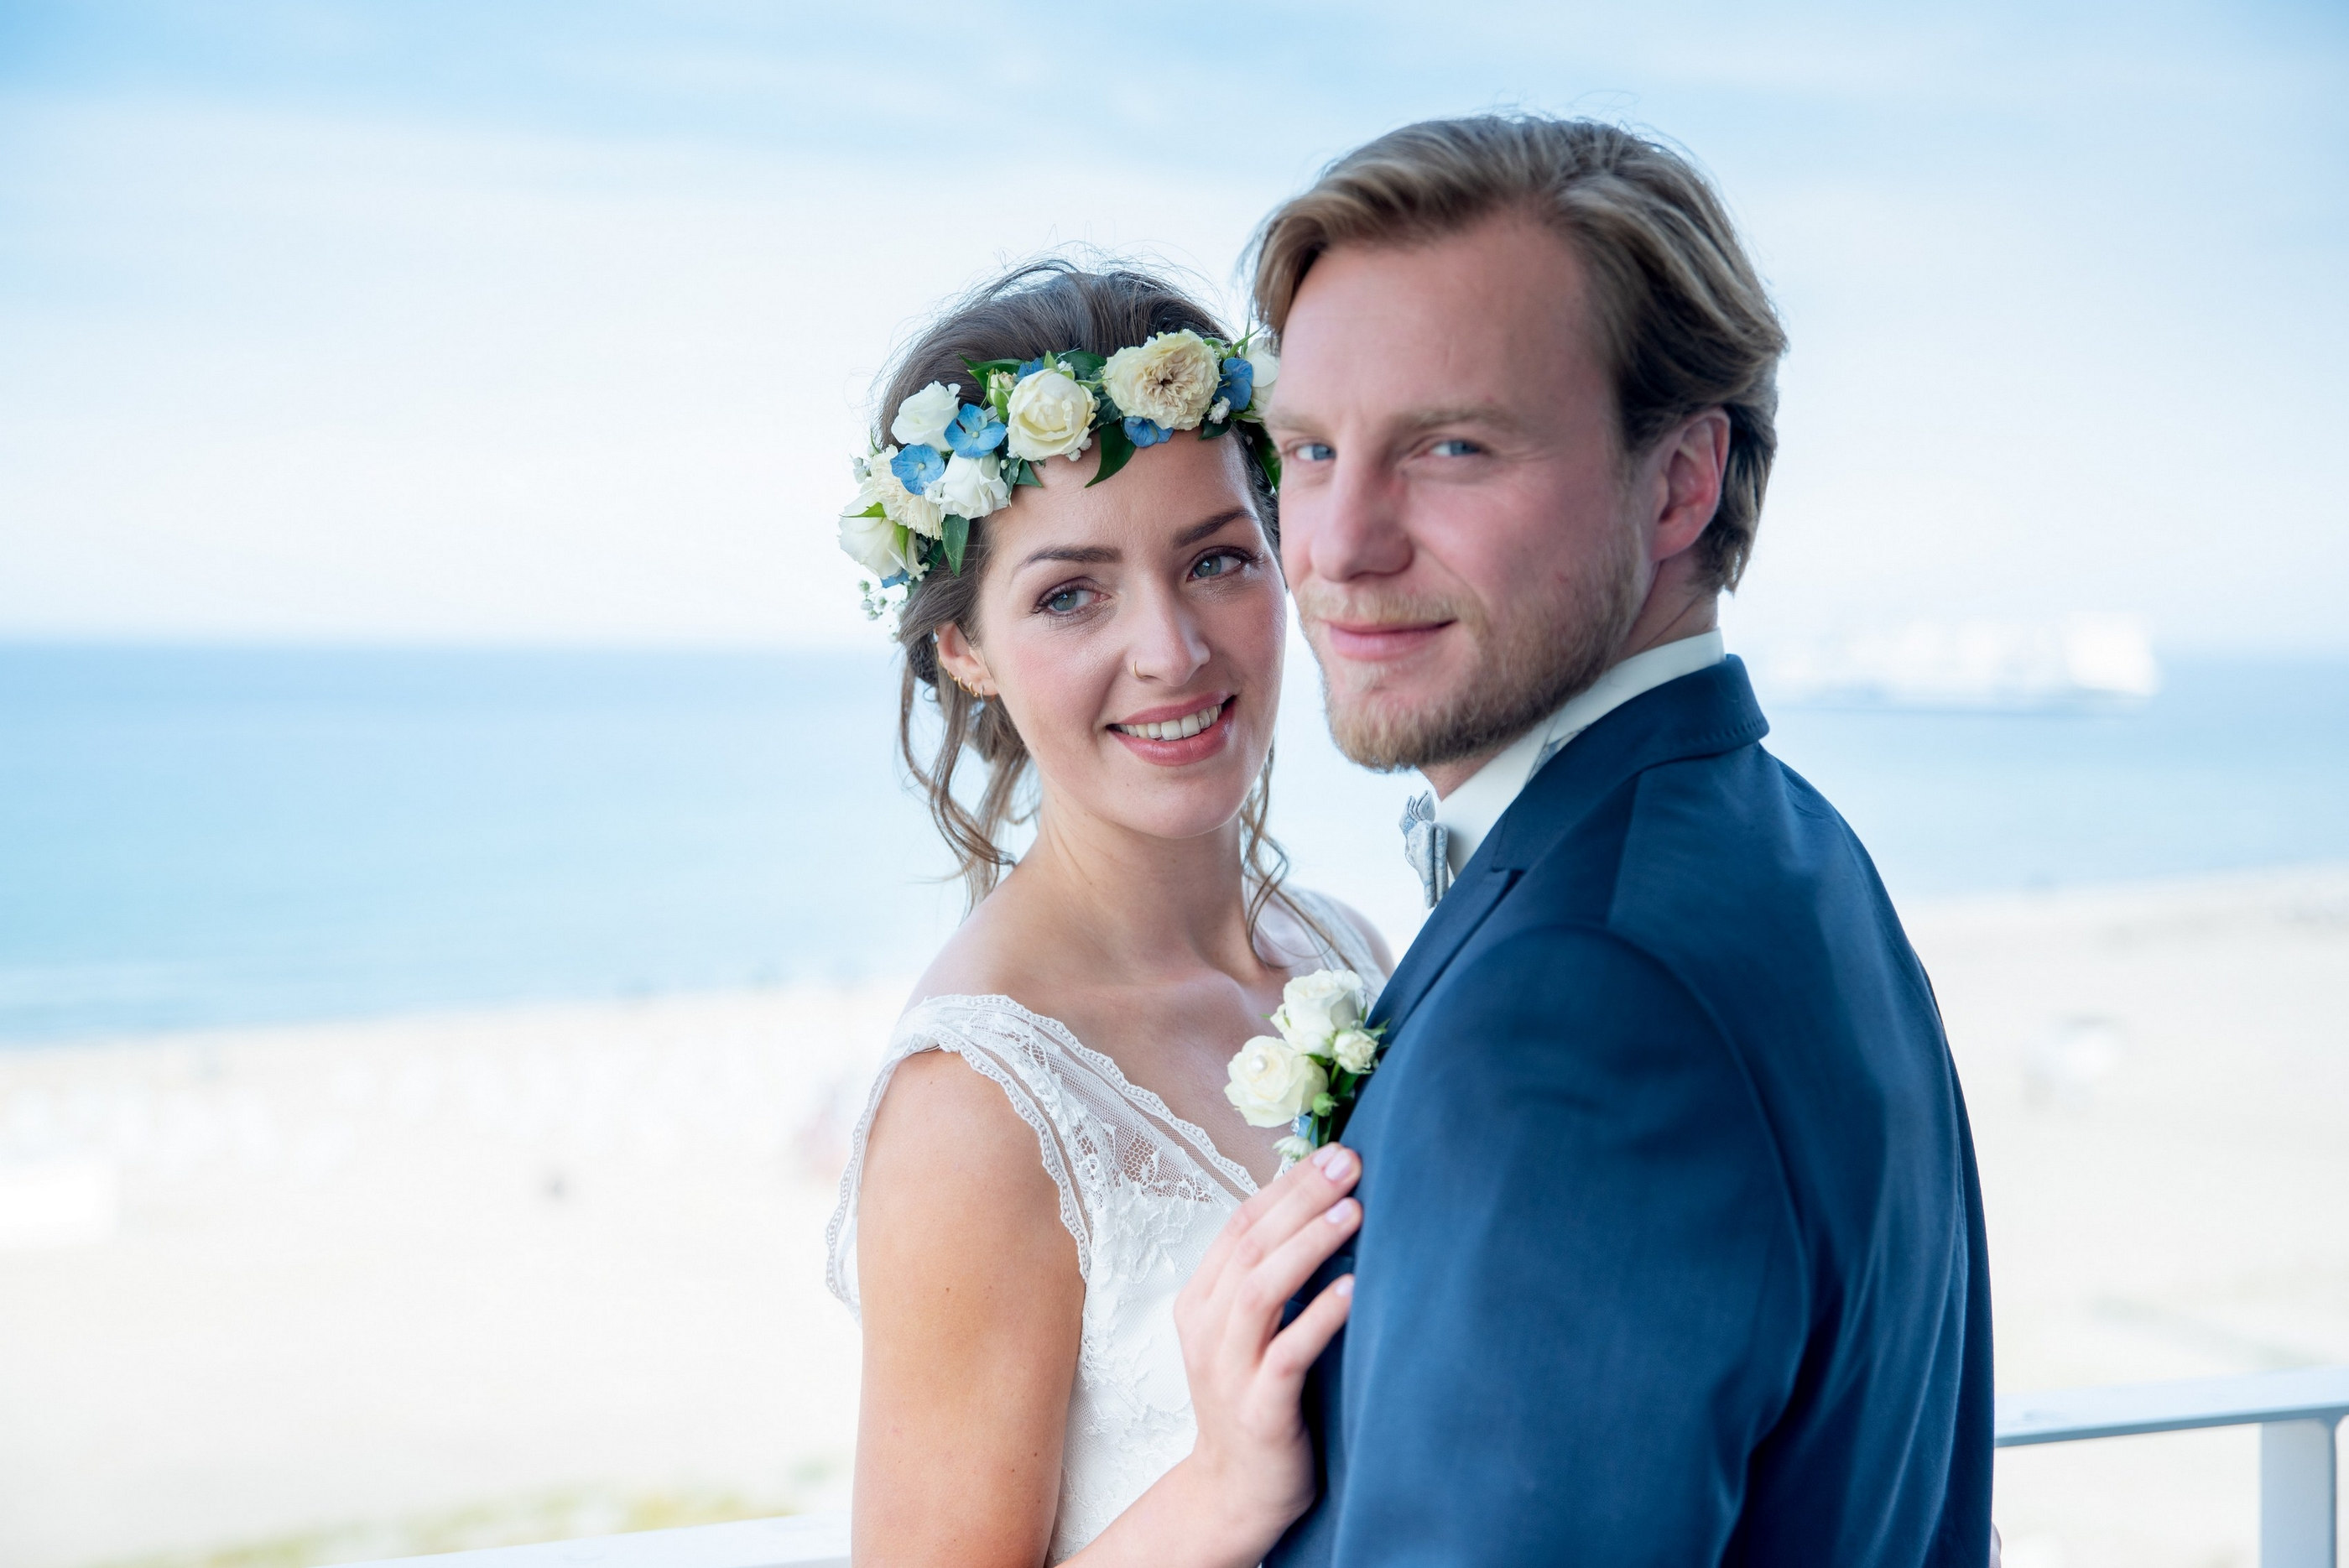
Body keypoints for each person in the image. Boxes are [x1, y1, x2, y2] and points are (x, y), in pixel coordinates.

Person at [1253, 114, 1995, 1565]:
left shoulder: (1578, 1005)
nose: (1338, 545)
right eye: (1310, 449)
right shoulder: (1793, 847)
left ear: (1679, 481)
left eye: (1450, 446)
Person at [823, 261, 1393, 1567]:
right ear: (963, 648)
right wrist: (1223, 1488)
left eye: (1216, 560)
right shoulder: (978, 1104)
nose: (1174, 650)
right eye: (1071, 593)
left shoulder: (1346, 952)